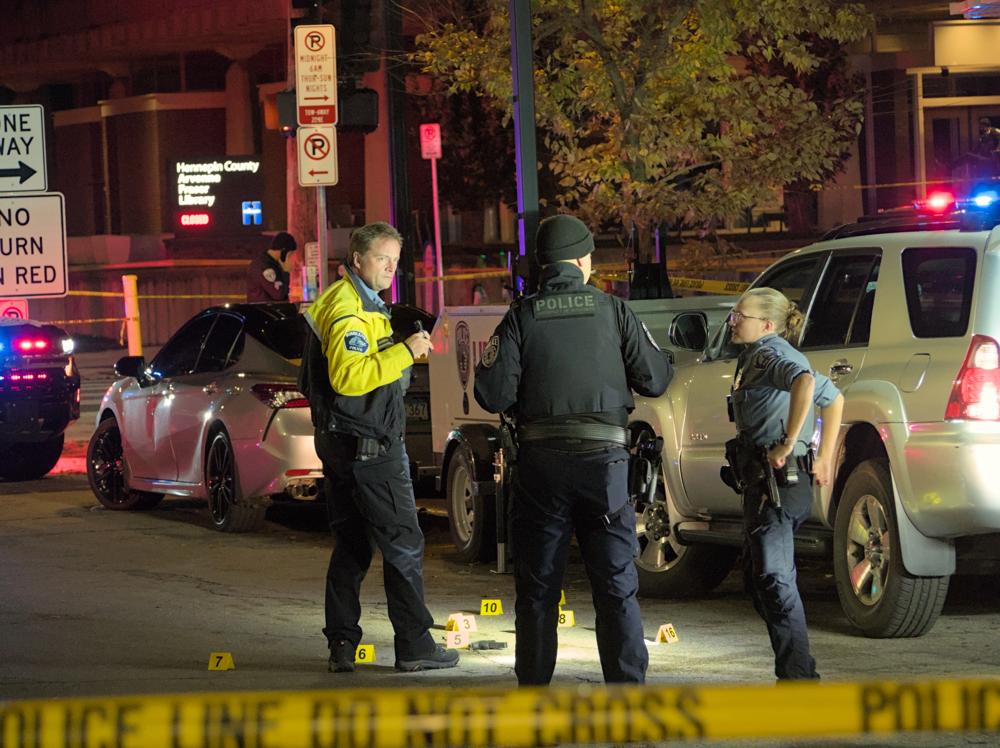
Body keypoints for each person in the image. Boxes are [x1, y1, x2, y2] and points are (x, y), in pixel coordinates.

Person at [473, 214, 673, 685]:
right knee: (615, 586)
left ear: (542, 264)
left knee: (538, 588)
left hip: (541, 468)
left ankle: (534, 688)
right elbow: (656, 378)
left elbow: (492, 394)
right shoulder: (614, 311)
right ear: (584, 261)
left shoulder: (521, 316)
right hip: (606, 469)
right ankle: (627, 691)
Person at [298, 221, 459, 673]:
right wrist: (405, 352)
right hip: (370, 444)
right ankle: (414, 644)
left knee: (352, 545)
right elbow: (349, 378)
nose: (390, 268)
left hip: (343, 441)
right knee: (403, 542)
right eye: (381, 259)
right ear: (357, 259)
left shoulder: (351, 301)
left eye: (395, 260)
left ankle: (342, 645)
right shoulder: (349, 310)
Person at [725, 287, 844, 681]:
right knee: (758, 579)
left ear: (767, 324)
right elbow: (834, 398)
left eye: (740, 315)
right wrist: (823, 456)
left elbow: (806, 383)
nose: (732, 321)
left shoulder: (769, 354)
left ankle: (798, 677)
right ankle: (797, 670)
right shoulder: (755, 355)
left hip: (775, 484)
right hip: (765, 484)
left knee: (774, 580)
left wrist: (790, 442)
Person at [247, 231, 297, 302]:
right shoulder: (264, 267)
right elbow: (279, 294)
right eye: (290, 255)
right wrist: (286, 272)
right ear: (284, 252)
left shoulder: (273, 263)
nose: (290, 259)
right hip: (264, 307)